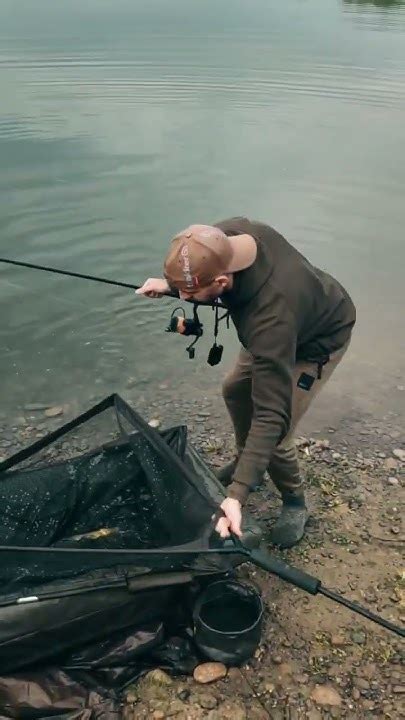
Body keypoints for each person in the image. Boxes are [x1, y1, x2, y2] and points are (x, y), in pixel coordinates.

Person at [136, 217, 356, 548]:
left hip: (314, 343)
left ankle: (295, 500)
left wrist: (236, 495)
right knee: (235, 389)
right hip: (278, 328)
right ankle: (247, 460)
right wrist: (171, 284)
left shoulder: (270, 320)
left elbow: (270, 414)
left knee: (278, 434)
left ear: (223, 281)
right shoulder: (231, 235)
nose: (183, 298)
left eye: (189, 292)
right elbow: (200, 265)